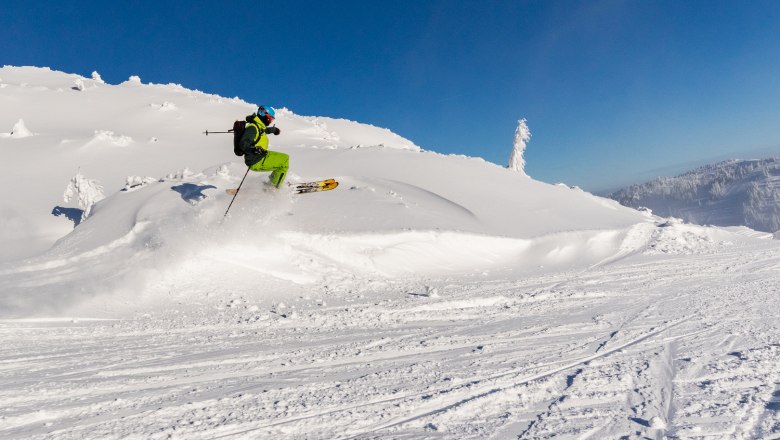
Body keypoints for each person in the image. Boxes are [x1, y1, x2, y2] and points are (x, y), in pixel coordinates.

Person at [240, 105, 288, 188]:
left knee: (284, 158)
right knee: (284, 162)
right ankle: (273, 188)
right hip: (256, 159)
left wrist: (273, 130)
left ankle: (272, 184)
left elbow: (262, 131)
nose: (271, 121)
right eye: (270, 118)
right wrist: (253, 149)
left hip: (260, 155)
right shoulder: (252, 128)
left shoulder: (258, 125)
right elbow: (243, 143)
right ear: (264, 115)